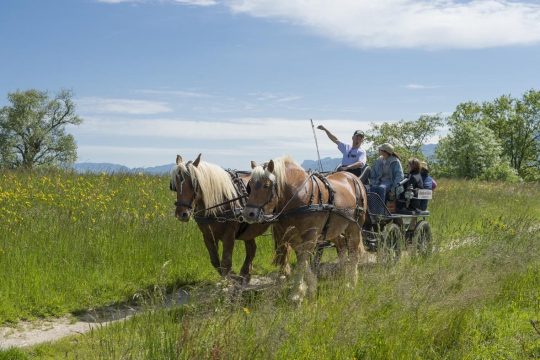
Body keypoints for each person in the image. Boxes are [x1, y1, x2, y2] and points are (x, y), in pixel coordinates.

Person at [369, 143, 404, 209]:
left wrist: (393, 189)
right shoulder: (378, 160)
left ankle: (380, 211)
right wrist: (373, 182)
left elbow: (399, 176)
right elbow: (373, 173)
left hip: (390, 182)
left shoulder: (395, 161)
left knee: (381, 188)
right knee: (372, 188)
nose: (379, 150)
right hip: (379, 181)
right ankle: (373, 209)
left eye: (380, 149)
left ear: (385, 152)